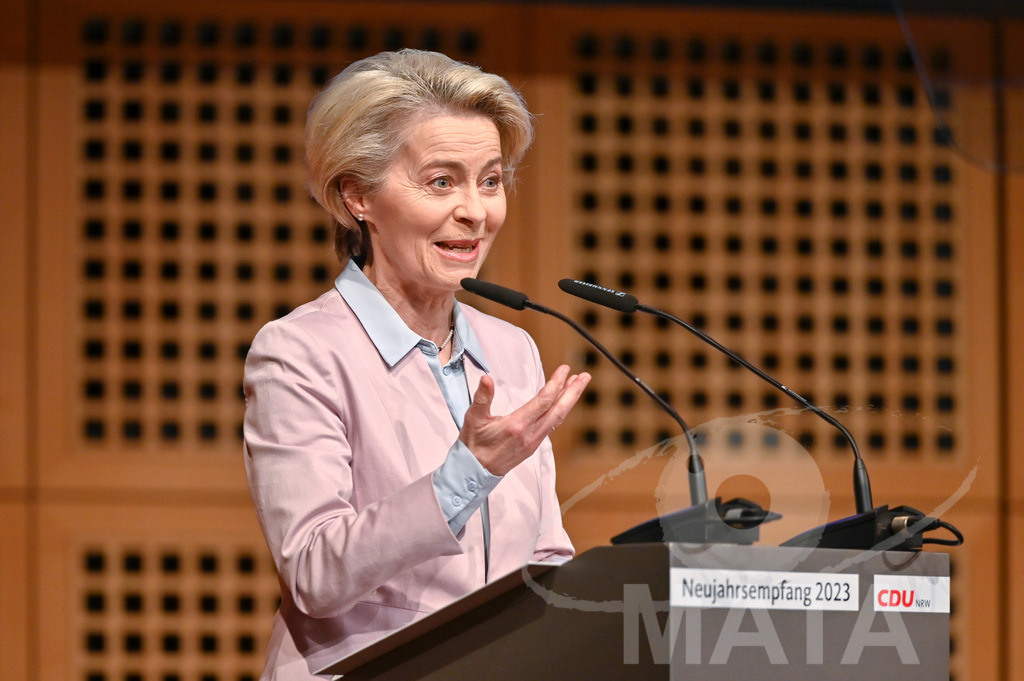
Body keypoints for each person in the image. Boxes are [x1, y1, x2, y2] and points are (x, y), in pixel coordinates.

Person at [242, 49, 592, 680]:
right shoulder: (300, 352)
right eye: (440, 182)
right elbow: (315, 572)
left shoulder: (513, 349)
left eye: (489, 180)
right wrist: (467, 473)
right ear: (357, 196)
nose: (475, 212)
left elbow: (541, 550)